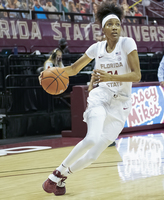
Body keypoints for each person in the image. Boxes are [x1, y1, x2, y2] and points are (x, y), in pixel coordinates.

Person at [40, 2, 141, 196]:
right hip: (100, 98)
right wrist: (49, 72)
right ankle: (54, 176)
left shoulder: (127, 43)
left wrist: (111, 77)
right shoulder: (97, 48)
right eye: (109, 24)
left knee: (93, 156)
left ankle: (62, 176)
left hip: (121, 105)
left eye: (117, 24)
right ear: (103, 28)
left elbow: (137, 75)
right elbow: (72, 70)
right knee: (92, 138)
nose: (114, 28)